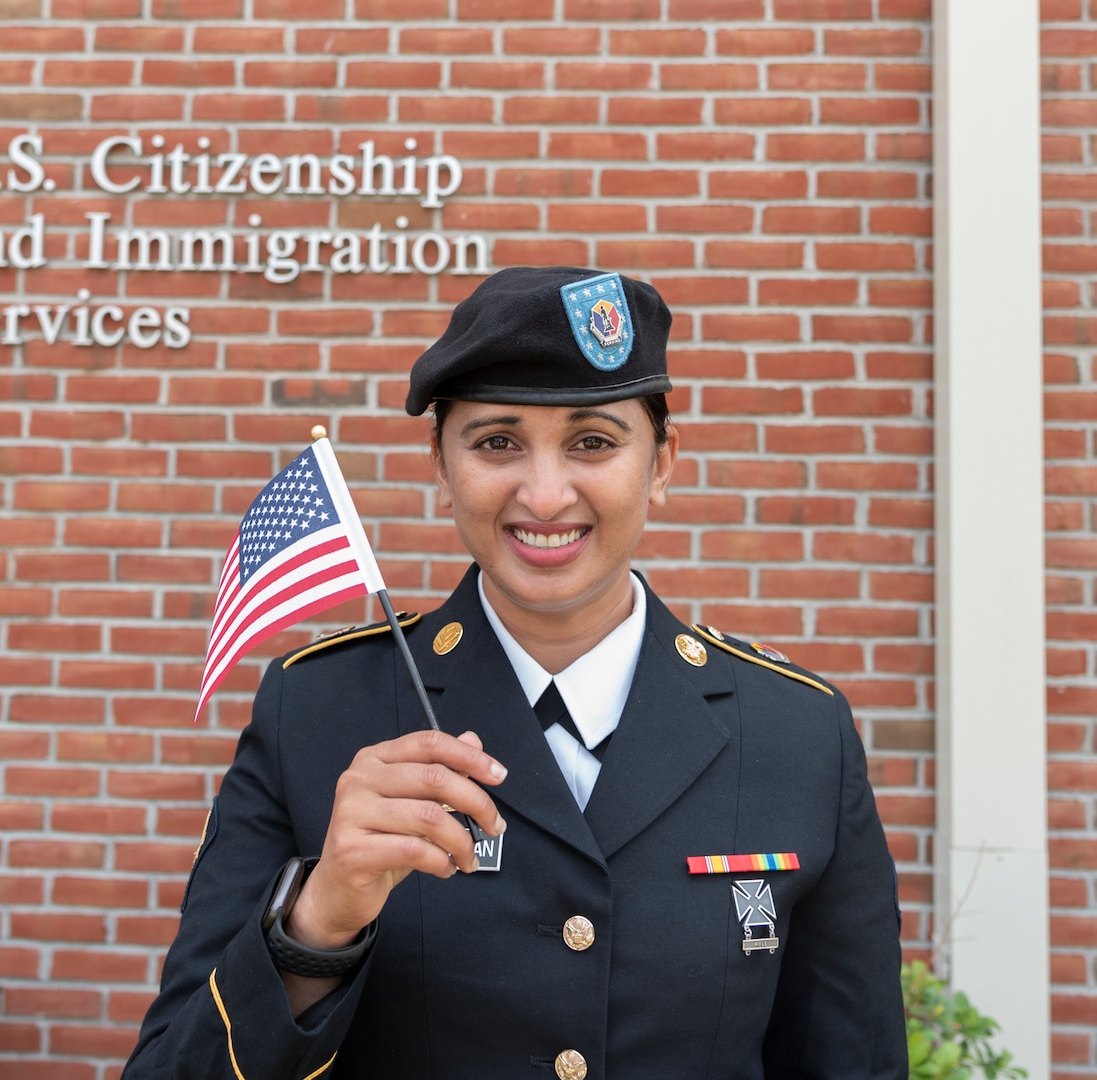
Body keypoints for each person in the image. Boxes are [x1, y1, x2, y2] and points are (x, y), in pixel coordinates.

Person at [124, 266, 905, 1080]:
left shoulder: (795, 732)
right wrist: (317, 922)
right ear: (441, 463)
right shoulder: (317, 710)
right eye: (497, 442)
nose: (544, 493)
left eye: (593, 442)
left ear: (662, 461)